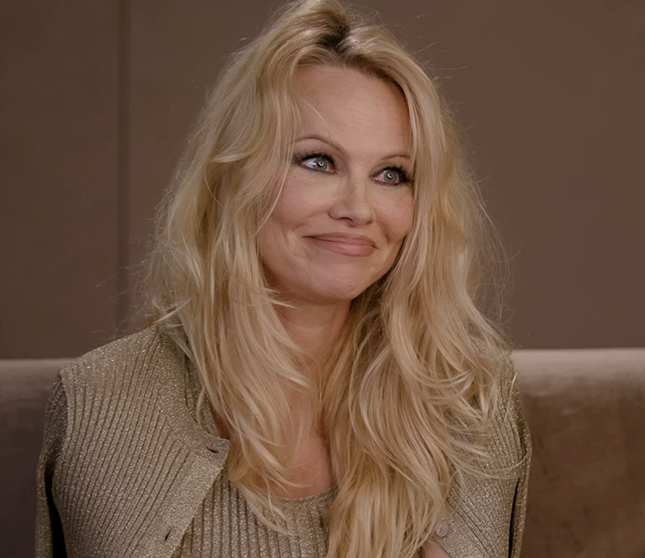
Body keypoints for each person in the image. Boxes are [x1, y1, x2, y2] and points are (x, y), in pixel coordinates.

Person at [36, 0, 531, 556]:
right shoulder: (106, 402)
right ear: (234, 176)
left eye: (392, 174)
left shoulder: (468, 401)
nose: (358, 208)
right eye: (318, 161)